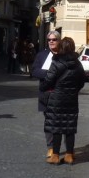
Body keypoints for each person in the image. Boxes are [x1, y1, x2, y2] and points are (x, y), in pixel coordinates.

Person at [40, 36, 86, 165]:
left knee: (56, 127)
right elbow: (82, 81)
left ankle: (55, 155)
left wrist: (43, 87)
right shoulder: (78, 63)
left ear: (61, 47)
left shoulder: (57, 62)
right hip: (71, 98)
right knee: (69, 127)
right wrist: (74, 90)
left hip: (57, 98)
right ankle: (69, 155)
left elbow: (49, 80)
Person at [31, 31, 61, 159]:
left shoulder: (64, 55)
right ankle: (51, 147)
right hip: (46, 94)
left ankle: (62, 148)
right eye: (49, 39)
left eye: (54, 39)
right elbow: (34, 71)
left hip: (61, 94)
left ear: (59, 40)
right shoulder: (42, 55)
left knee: (60, 122)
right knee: (49, 121)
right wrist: (50, 73)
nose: (51, 41)